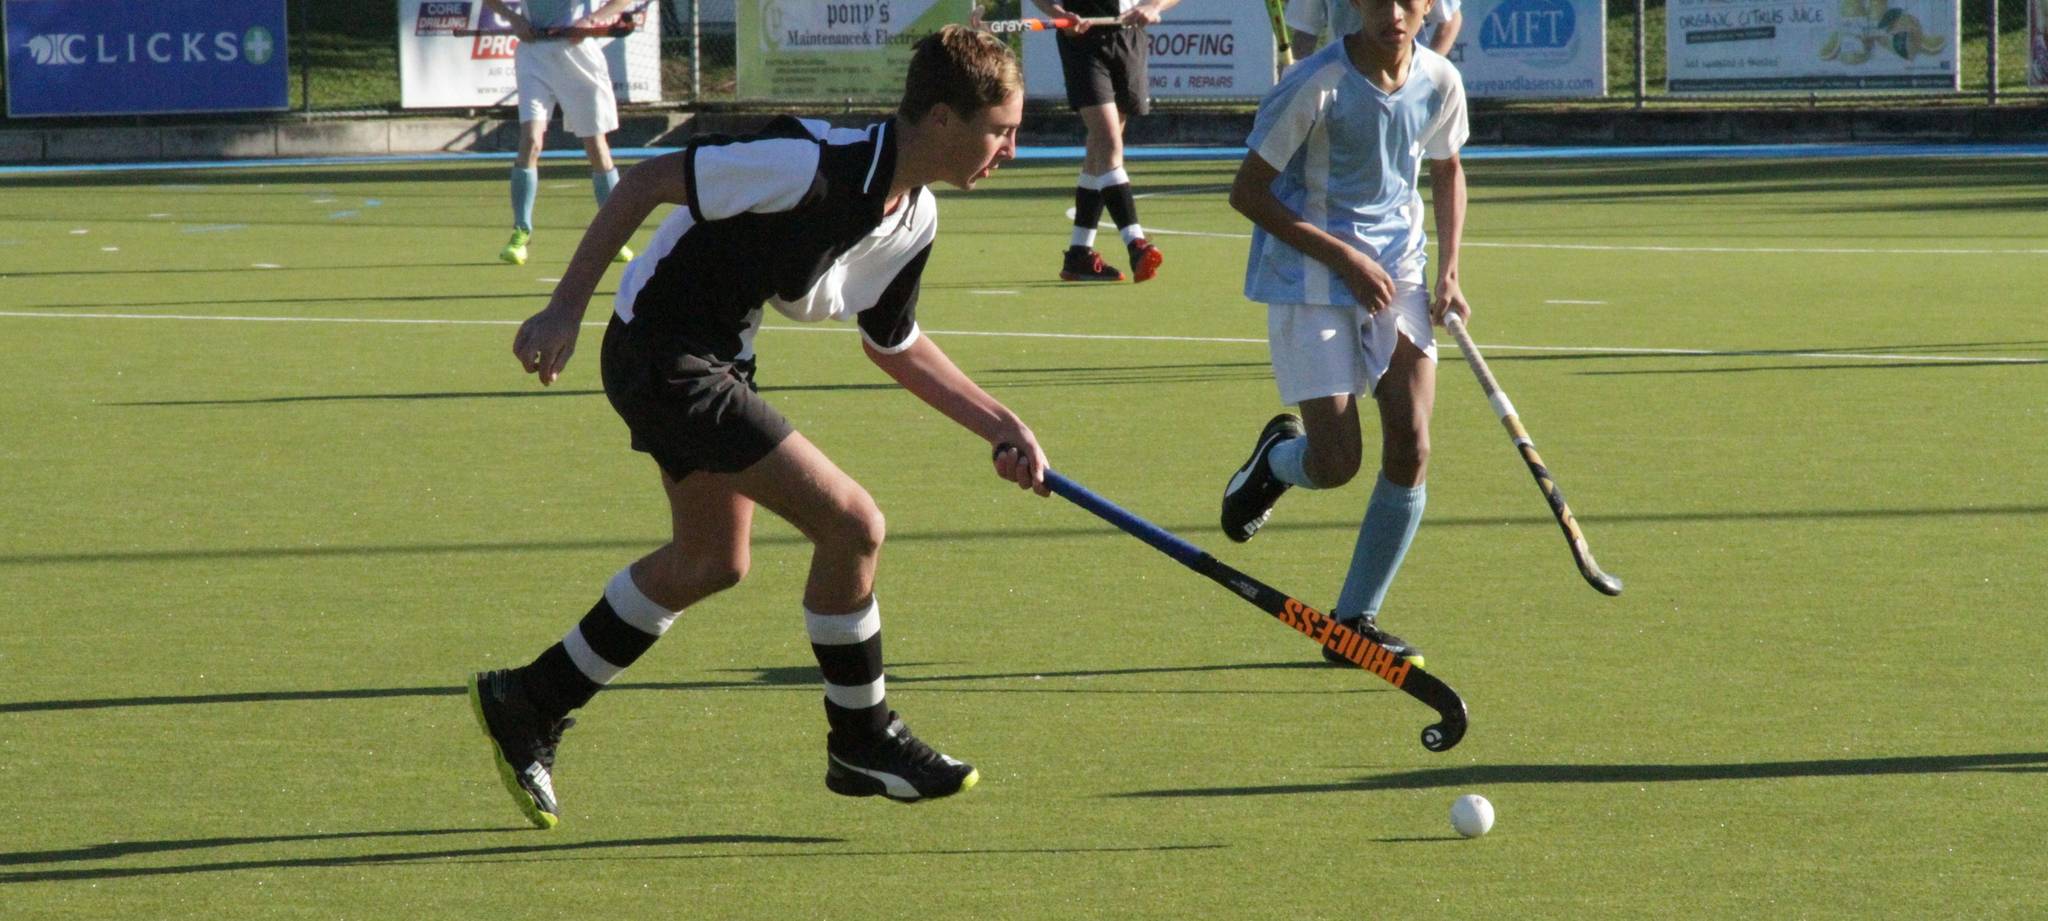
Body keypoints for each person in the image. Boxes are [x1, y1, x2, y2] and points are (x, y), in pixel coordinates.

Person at [469, 25, 1050, 830]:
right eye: (1001, 130)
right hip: (661, 350)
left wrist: (1001, 424)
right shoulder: (809, 163)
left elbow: (893, 343)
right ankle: (863, 736)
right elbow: (645, 183)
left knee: (711, 560)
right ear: (945, 119)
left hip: (717, 357)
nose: (1011, 149)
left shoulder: (913, 215)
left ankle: (529, 697)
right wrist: (564, 307)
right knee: (853, 523)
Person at [1219, 0, 1469, 669]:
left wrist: (1449, 270)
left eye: (1406, 0)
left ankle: (1354, 620)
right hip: (1310, 276)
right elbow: (1248, 192)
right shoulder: (1315, 84)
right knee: (1335, 464)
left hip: (1400, 272)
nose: (1393, 13)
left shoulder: (1440, 79)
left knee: (1412, 443)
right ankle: (1276, 460)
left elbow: (1447, 167)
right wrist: (1345, 259)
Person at [482, 0, 643, 266]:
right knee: (531, 140)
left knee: (596, 147)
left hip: (579, 57)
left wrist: (591, 20)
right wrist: (514, 18)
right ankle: (521, 232)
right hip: (534, 55)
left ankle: (613, 236)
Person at [1029, 0, 1179, 283]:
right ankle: (1136, 244)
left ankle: (1079, 254)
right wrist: (1057, 13)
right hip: (1082, 42)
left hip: (1128, 37)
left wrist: (1154, 6)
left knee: (1099, 149)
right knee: (1109, 143)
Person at [1287, 0, 1461, 60]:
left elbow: (1451, 18)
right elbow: (1305, 32)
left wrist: (1427, 72)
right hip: (1341, 85)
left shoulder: (1442, 82)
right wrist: (1291, 80)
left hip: (1409, 86)